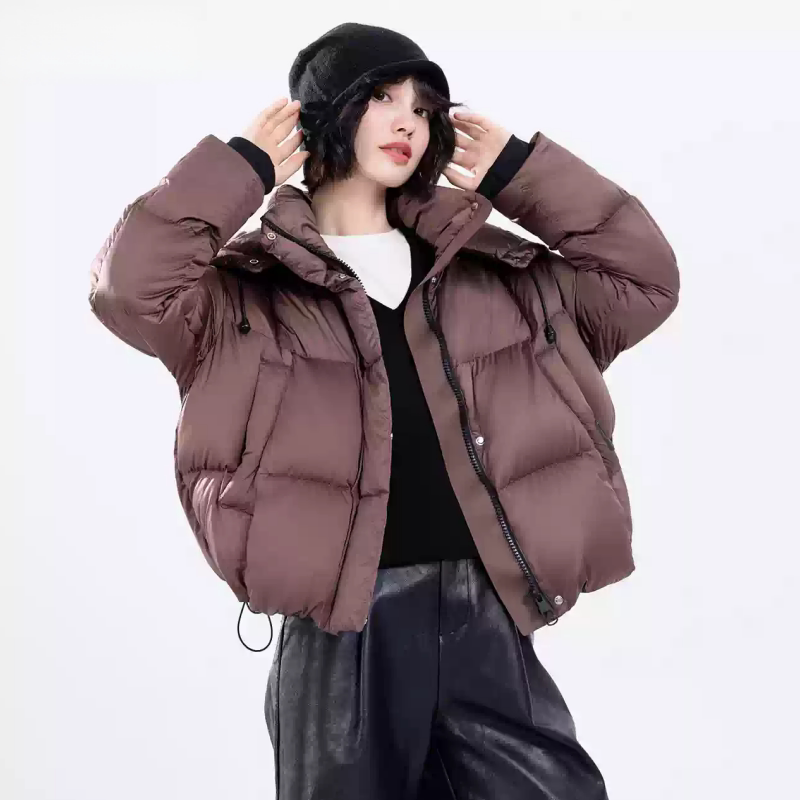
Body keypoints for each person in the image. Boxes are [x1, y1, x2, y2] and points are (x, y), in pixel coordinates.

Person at [88, 21, 679, 800]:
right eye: (383, 97)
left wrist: (520, 174)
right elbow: (128, 289)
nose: (410, 122)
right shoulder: (241, 297)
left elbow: (644, 280)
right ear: (321, 115)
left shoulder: (495, 273)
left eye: (425, 108)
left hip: (488, 614)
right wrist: (241, 170)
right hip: (342, 635)